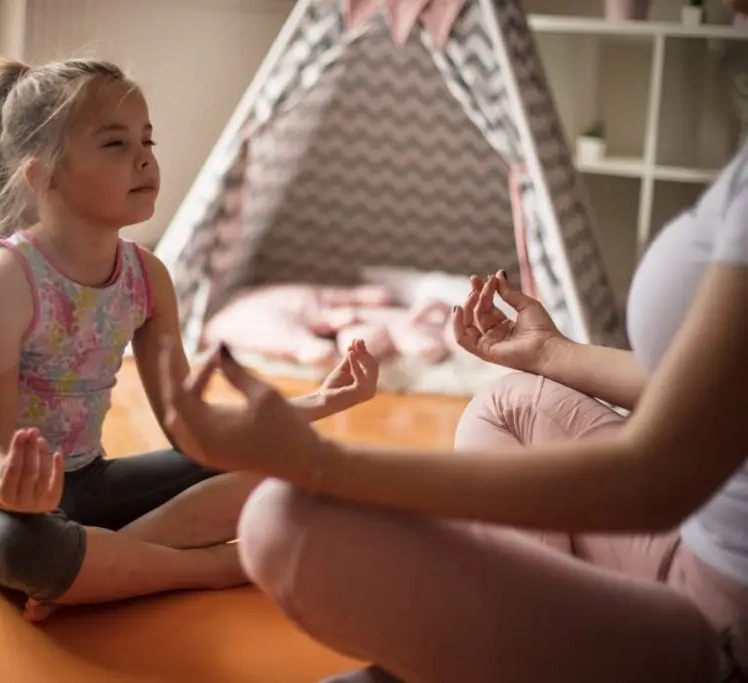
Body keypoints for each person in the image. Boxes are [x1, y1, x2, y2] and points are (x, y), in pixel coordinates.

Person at [156, 134, 748, 682]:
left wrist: (318, 462)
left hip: (726, 613)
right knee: (505, 402)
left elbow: (654, 479)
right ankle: (538, 635)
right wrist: (550, 353)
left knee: (279, 521)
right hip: (690, 539)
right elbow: (710, 389)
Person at [0, 54, 380, 622]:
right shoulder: (4, 278)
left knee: (282, 472)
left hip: (88, 484)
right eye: (115, 144)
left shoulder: (148, 278)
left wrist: (321, 402)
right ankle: (213, 569)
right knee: (28, 547)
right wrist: (11, 489)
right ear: (42, 173)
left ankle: (98, 567)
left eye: (147, 140)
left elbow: (194, 431)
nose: (145, 157)